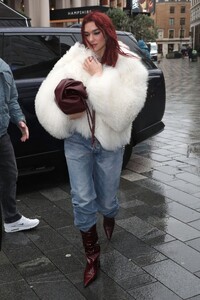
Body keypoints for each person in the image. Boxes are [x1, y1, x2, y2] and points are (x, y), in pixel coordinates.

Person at [35, 11, 148, 287]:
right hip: (77, 141)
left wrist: (98, 78)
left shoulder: (130, 65)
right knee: (82, 199)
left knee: (107, 200)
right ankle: (92, 255)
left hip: (110, 144)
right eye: (86, 33)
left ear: (107, 31)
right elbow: (45, 95)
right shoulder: (75, 57)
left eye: (96, 32)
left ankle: (110, 214)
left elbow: (122, 116)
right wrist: (65, 113)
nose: (91, 39)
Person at [0, 58, 40, 234]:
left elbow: (12, 99)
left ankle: (12, 219)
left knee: (9, 174)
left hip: (1, 133)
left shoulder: (3, 66)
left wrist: (19, 121)